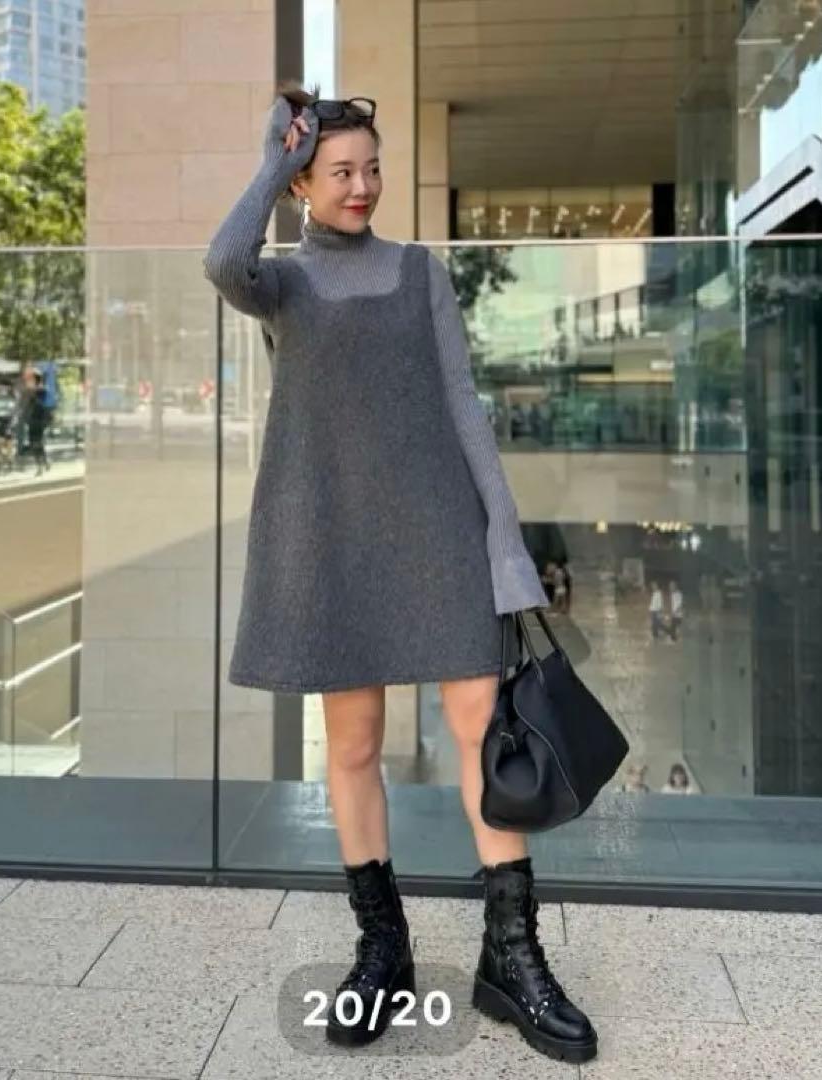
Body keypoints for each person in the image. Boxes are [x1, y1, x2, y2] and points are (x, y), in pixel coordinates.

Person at [203, 84, 597, 1063]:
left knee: (481, 729)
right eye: (340, 171)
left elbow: (464, 407)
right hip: (333, 539)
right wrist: (270, 163)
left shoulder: (421, 273)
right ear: (302, 183)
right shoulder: (282, 284)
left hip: (438, 530)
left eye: (372, 168)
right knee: (354, 744)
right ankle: (384, 949)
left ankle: (513, 956)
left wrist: (506, 545)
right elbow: (221, 261)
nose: (362, 186)